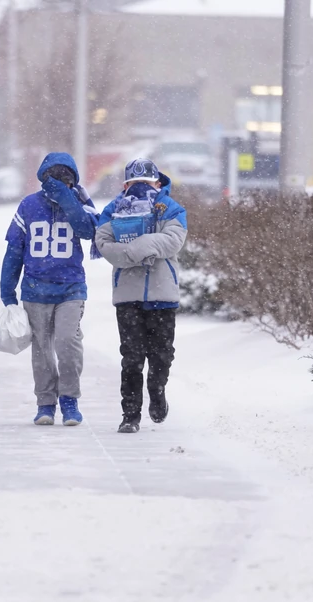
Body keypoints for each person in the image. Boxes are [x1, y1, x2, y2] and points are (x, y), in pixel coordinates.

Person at [0, 153, 98, 426]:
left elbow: (88, 231)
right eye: (54, 176)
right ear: (43, 177)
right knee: (41, 350)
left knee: (67, 343)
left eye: (65, 177)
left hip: (71, 289)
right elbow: (15, 248)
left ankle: (69, 400)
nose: (59, 181)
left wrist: (68, 200)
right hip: (35, 289)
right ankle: (45, 402)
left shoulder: (80, 203)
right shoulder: (29, 205)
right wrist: (7, 289)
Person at [94, 158, 188, 433]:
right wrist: (135, 254)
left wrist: (137, 247)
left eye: (145, 183)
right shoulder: (113, 210)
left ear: (158, 183)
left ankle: (157, 391)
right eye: (134, 183)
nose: (140, 188)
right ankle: (130, 415)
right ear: (125, 185)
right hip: (128, 295)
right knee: (131, 358)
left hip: (163, 294)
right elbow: (103, 243)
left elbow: (173, 241)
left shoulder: (171, 208)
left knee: (162, 355)